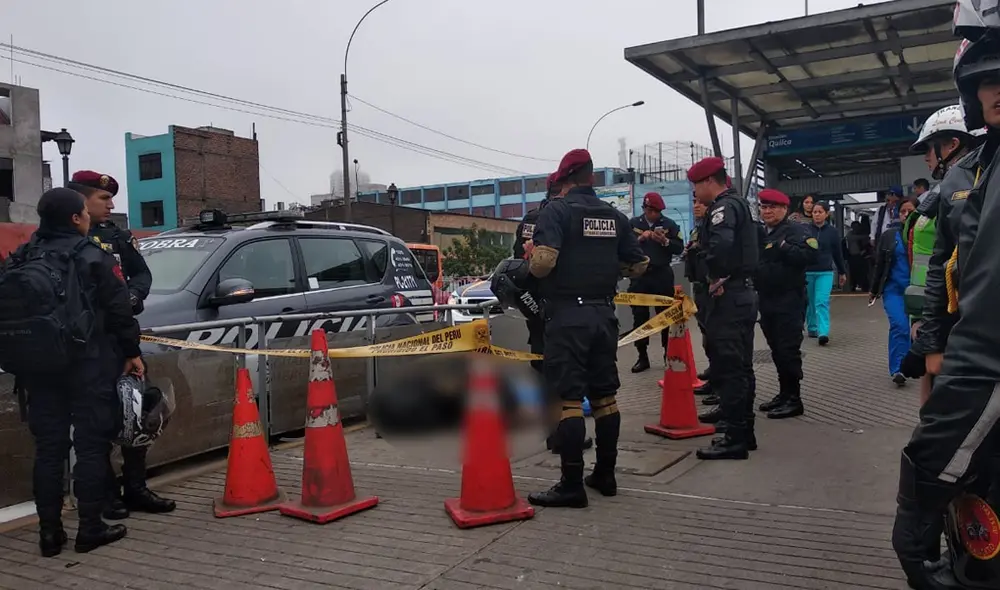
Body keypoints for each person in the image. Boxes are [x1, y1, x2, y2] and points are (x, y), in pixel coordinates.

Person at [892, 15, 1000, 587]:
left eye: (935, 147)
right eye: (989, 80)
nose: (933, 160)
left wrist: (919, 493)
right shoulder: (972, 177)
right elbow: (941, 270)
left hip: (975, 374)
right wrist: (932, 341)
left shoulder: (969, 178)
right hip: (960, 357)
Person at [0, 188, 143, 555]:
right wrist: (131, 352)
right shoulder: (92, 255)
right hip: (88, 363)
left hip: (37, 367)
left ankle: (50, 534)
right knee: (91, 446)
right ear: (76, 219)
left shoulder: (21, 256)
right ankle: (90, 528)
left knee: (49, 450)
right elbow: (119, 310)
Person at [525, 148, 648, 508]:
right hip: (604, 315)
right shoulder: (614, 215)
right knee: (605, 398)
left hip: (567, 316)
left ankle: (571, 484)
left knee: (568, 402)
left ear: (563, 180)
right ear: (591, 177)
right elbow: (638, 264)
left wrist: (532, 258)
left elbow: (544, 263)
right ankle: (605, 474)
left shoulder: (556, 211)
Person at [68, 170, 175, 519]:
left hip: (122, 340)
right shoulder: (67, 238)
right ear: (82, 200)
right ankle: (108, 494)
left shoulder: (117, 237)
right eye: (103, 199)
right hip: (88, 345)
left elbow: (141, 274)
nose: (111, 204)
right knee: (100, 422)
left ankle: (136, 487)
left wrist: (131, 296)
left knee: (138, 412)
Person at [898, 105, 984, 407]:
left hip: (956, 324)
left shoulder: (966, 190)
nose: (926, 157)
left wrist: (930, 337)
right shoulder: (944, 191)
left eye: (930, 148)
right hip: (934, 317)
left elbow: (950, 266)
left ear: (953, 144)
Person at [514, 174, 593, 454]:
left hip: (533, 300)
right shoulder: (562, 216)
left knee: (539, 363)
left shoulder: (531, 218)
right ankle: (561, 435)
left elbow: (517, 258)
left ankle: (547, 430)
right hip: (557, 302)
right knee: (563, 371)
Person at [687, 157, 759, 461]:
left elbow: (721, 249)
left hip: (729, 296)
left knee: (730, 369)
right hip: (742, 293)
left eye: (695, 186)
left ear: (708, 182)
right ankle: (744, 431)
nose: (695, 193)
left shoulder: (722, 208)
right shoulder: (739, 204)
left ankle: (734, 438)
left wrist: (712, 272)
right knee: (741, 366)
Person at [749, 188, 816, 421]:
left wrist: (784, 248)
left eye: (772, 207)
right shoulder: (760, 233)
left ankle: (794, 399)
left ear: (784, 209)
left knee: (788, 350)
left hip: (789, 299)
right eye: (764, 207)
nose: (767, 211)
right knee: (776, 349)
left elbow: (808, 256)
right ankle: (784, 393)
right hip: (766, 298)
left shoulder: (796, 230)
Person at [628, 191, 684, 374]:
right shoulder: (634, 224)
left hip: (661, 275)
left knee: (665, 317)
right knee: (639, 318)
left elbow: (679, 248)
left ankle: (668, 355)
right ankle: (641, 356)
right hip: (640, 275)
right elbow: (624, 246)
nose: (652, 214)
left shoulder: (669, 224)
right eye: (649, 210)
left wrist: (665, 241)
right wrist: (640, 239)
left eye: (656, 211)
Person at [869, 199, 917, 387]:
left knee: (915, 330)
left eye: (910, 211)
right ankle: (899, 369)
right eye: (902, 211)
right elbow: (880, 263)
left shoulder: (926, 233)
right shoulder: (889, 235)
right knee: (900, 326)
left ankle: (912, 362)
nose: (906, 214)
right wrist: (874, 290)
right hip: (893, 290)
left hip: (918, 291)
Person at [804, 201, 847, 346]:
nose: (816, 215)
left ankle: (823, 332)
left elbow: (837, 253)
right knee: (810, 302)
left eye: (820, 212)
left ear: (826, 214)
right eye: (814, 212)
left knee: (821, 301)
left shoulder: (833, 232)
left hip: (825, 272)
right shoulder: (806, 230)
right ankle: (812, 327)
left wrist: (842, 272)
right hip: (807, 271)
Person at [684, 195, 713, 393]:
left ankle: (719, 382)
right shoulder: (699, 227)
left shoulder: (713, 227)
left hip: (711, 285)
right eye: (694, 202)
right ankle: (714, 373)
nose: (696, 206)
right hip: (699, 284)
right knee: (705, 331)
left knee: (715, 333)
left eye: (700, 202)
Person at [845, 221, 872, 292]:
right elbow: (855, 238)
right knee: (853, 272)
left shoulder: (861, 235)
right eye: (855, 227)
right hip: (853, 257)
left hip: (861, 257)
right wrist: (867, 235)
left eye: (857, 227)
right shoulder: (850, 234)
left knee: (863, 272)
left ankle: (864, 286)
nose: (856, 229)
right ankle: (852, 286)